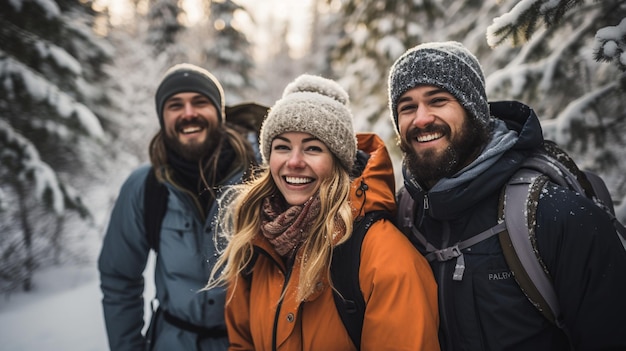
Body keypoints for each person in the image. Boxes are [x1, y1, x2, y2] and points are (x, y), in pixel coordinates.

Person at [387, 41, 626, 350]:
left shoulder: (552, 215)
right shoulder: (404, 215)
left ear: (473, 110)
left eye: (438, 100)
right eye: (407, 107)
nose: (421, 119)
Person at [206, 74, 440, 350]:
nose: (294, 162)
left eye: (313, 148)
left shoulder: (384, 256)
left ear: (338, 162)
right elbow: (241, 343)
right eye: (282, 147)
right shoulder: (256, 239)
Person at [98, 63, 259, 351]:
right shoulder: (144, 187)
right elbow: (119, 277)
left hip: (247, 343)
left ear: (219, 113)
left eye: (200, 102)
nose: (188, 113)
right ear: (163, 117)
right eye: (175, 105)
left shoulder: (259, 178)